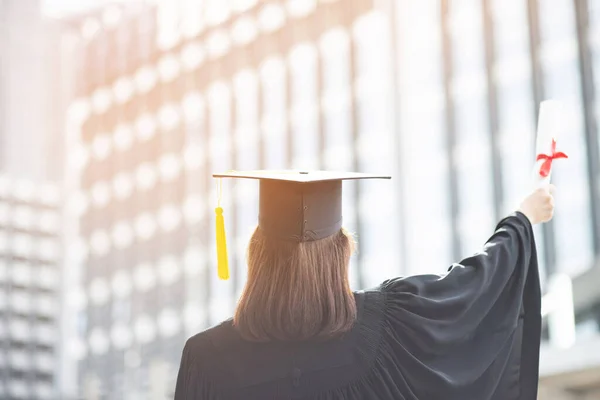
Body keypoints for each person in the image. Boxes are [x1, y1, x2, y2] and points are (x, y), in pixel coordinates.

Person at [174, 170, 554, 400]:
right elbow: (473, 289)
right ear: (340, 251)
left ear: (257, 253)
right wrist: (521, 219)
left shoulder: (205, 360)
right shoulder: (392, 324)